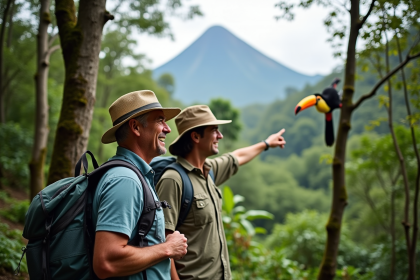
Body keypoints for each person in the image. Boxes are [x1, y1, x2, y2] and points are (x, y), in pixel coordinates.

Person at [155, 105, 286, 280]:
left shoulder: (210, 171)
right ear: (195, 136)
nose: (220, 136)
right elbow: (164, 244)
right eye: (214, 130)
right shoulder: (174, 180)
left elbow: (237, 157)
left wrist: (267, 144)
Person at [92, 90, 188, 280]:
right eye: (160, 120)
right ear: (136, 127)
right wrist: (167, 248)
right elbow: (106, 262)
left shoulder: (137, 176)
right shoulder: (125, 181)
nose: (167, 129)